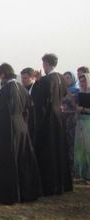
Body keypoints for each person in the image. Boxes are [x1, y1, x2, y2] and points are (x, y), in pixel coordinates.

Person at [0, 63, 42, 205]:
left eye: (0, 76)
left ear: (3, 75)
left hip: (8, 130)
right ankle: (25, 191)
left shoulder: (5, 91)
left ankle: (7, 193)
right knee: (22, 160)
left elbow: (0, 115)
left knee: (7, 160)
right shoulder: (22, 89)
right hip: (22, 128)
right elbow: (29, 110)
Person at [31, 53, 73, 196]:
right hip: (59, 117)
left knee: (48, 151)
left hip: (47, 119)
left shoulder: (46, 81)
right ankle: (62, 182)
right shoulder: (61, 78)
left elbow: (37, 98)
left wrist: (37, 81)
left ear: (47, 64)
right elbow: (64, 95)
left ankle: (49, 185)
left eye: (43, 63)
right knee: (59, 150)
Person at [62, 71, 80, 178]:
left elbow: (76, 106)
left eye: (68, 78)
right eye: (64, 78)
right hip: (63, 119)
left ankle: (74, 169)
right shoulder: (62, 91)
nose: (66, 80)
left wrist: (70, 97)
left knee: (72, 143)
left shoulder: (77, 91)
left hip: (72, 119)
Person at [74, 73, 90, 182]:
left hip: (88, 122)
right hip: (80, 121)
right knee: (79, 149)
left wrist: (83, 109)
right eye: (81, 81)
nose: (82, 83)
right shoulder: (79, 94)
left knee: (88, 149)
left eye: (84, 81)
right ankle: (80, 173)